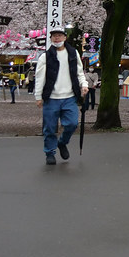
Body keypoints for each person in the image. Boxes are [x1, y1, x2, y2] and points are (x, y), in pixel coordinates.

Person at [34, 29, 88, 165]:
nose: (57, 38)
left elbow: (79, 72)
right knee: (50, 128)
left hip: (69, 96)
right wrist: (38, 96)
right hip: (51, 97)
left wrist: (84, 84)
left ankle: (62, 142)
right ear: (51, 39)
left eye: (59, 36)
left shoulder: (73, 53)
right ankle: (50, 152)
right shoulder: (45, 56)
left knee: (72, 124)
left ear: (65, 37)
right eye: (54, 36)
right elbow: (40, 78)